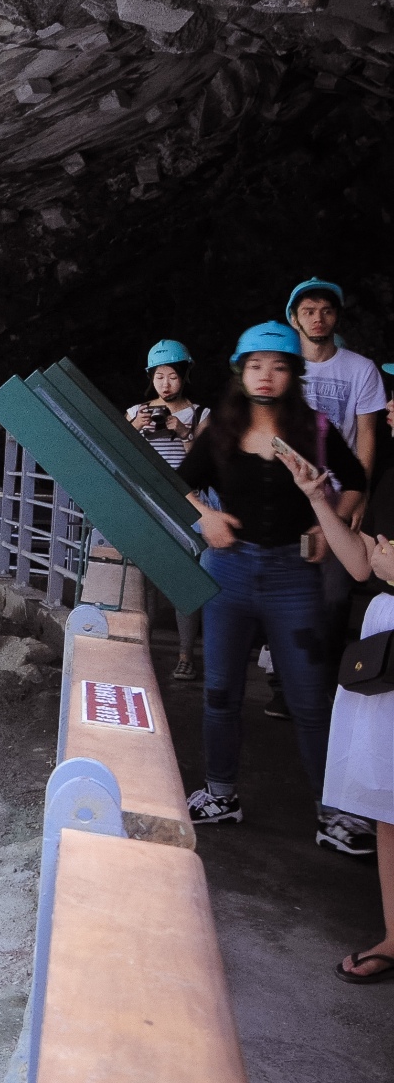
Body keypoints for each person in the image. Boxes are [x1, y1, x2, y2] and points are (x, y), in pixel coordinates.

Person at [177, 322, 369, 855]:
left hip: (293, 578)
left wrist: (328, 524)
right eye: (256, 365)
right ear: (241, 371)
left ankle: (333, 813)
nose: (267, 375)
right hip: (229, 572)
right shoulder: (220, 430)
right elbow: (176, 482)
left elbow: (355, 481)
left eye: (280, 366)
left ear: (294, 375)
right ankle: (221, 795)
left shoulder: (318, 429)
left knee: (310, 698)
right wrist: (206, 518)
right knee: (220, 694)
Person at [268, 442, 394, 969]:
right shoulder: (390, 473)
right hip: (387, 646)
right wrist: (319, 499)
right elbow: (365, 563)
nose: (388, 405)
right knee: (390, 806)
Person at [290, 277, 385, 650]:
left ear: (337, 317)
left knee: (334, 589)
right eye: (309, 311)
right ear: (294, 319)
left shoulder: (361, 369)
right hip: (289, 491)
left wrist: (359, 495)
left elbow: (367, 435)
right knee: (289, 585)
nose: (318, 319)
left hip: (339, 492)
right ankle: (282, 683)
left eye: (327, 311)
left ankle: (324, 676)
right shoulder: (283, 366)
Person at [128, 341, 210, 681]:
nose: (165, 384)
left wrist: (182, 431)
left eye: (173, 376)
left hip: (187, 503)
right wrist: (134, 428)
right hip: (148, 503)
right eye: (159, 376)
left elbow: (204, 460)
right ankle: (141, 654)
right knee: (144, 583)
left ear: (185, 376)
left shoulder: (202, 414)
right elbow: (122, 455)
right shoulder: (137, 412)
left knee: (183, 581)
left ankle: (185, 656)